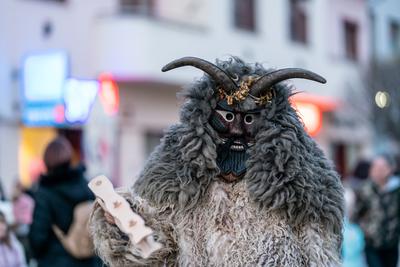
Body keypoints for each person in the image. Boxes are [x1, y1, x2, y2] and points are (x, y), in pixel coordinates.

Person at [89, 57, 344, 266]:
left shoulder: (299, 188)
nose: (236, 131)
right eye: (226, 116)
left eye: (248, 120)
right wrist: (122, 224)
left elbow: (319, 253)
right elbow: (153, 252)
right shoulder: (178, 182)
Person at [29, 136, 99, 267]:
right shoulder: (84, 183)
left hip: (56, 260)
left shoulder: (46, 192)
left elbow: (38, 237)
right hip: (88, 258)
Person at [353, 154, 400, 267]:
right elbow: (356, 215)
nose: (377, 171)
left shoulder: (396, 190)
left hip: (391, 242)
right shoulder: (365, 190)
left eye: (381, 168)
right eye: (374, 168)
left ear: (390, 169)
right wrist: (366, 229)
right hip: (372, 243)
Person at [12, 181, 34, 264]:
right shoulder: (15, 201)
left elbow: (29, 215)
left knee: (26, 249)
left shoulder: (27, 200)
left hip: (25, 228)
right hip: (18, 229)